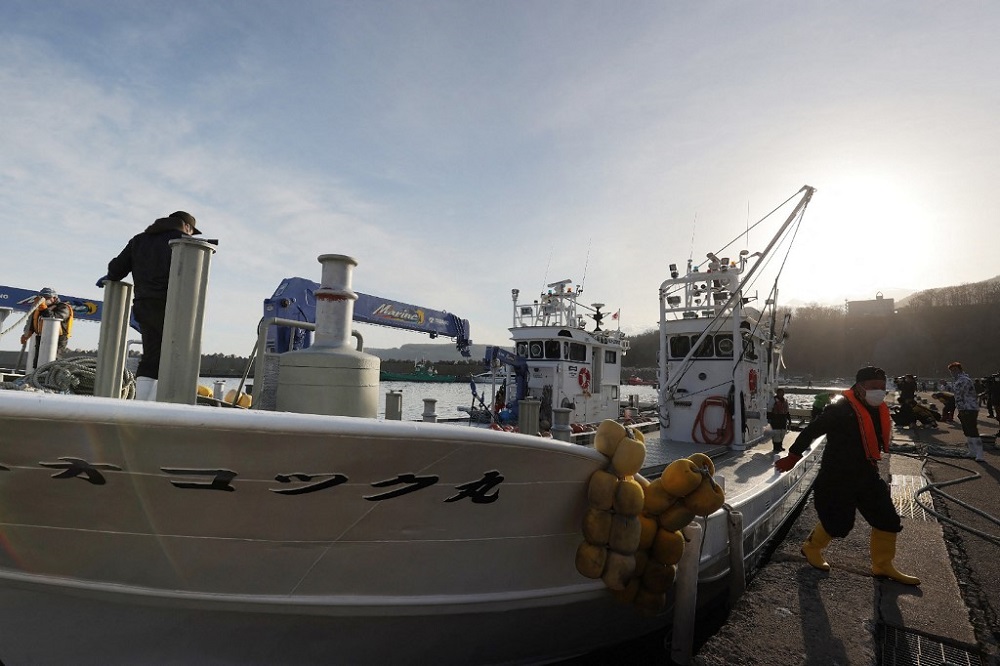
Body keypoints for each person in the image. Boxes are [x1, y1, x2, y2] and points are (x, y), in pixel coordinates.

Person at [774, 366, 920, 586]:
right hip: (837, 476)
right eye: (873, 388)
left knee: (887, 519)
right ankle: (811, 547)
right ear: (859, 387)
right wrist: (793, 456)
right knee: (839, 524)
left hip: (867, 473)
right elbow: (812, 430)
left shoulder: (876, 408)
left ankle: (882, 565)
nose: (879, 392)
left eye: (882, 388)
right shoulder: (840, 409)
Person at [97, 211, 201, 400]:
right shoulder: (185, 242)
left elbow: (116, 269)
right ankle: (163, 402)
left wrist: (110, 278)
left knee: (152, 354)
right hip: (174, 306)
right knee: (176, 355)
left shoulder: (139, 240)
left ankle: (142, 402)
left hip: (144, 305)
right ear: (186, 226)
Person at [20, 287, 74, 365]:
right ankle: (36, 375)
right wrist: (27, 333)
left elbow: (54, 318)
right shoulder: (39, 309)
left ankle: (51, 376)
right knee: (37, 361)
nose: (44, 299)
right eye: (42, 297)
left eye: (47, 297)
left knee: (52, 360)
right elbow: (32, 322)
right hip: (41, 337)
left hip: (58, 339)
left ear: (54, 298)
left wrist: (43, 307)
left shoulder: (63, 307)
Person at [948, 361, 983, 461]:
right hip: (962, 408)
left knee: (973, 430)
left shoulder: (964, 379)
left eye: (954, 370)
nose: (953, 372)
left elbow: (960, 391)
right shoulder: (957, 380)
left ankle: (979, 453)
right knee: (967, 431)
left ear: (960, 369)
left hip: (970, 408)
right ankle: (972, 451)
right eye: (951, 371)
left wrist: (948, 389)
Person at [767, 388, 791, 453]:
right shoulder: (773, 400)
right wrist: (769, 419)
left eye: (782, 393)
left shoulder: (785, 400)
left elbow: (787, 411)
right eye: (780, 392)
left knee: (782, 433)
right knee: (776, 434)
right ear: (777, 393)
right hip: (775, 419)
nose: (781, 394)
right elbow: (769, 409)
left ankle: (780, 445)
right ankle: (776, 447)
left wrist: (789, 419)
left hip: (783, 419)